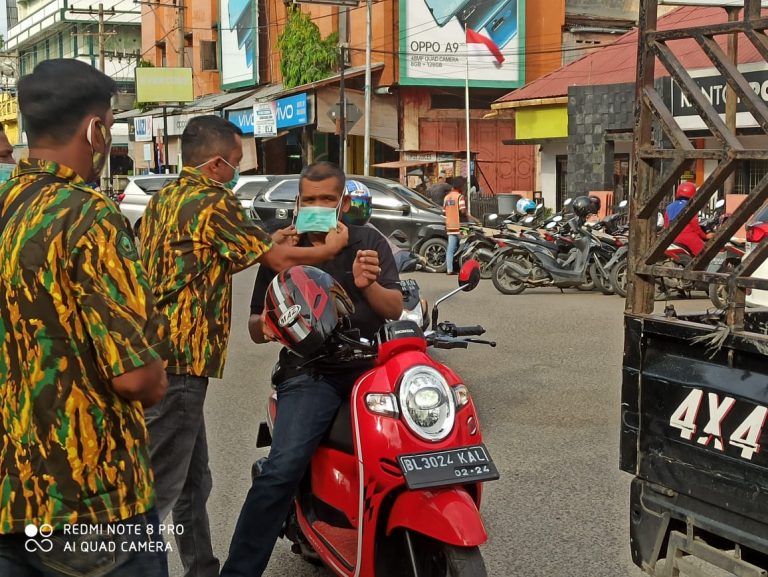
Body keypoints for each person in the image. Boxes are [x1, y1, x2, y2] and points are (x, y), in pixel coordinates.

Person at [138, 117, 349, 577]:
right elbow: (276, 261)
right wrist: (325, 251)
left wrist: (270, 242)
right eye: (235, 163)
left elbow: (202, 262)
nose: (237, 171)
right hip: (180, 360)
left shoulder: (165, 200)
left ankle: (202, 569)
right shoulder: (214, 201)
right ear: (216, 164)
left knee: (193, 482)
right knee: (159, 490)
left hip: (159, 353)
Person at [0, 59, 169, 576]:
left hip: (13, 494)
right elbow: (137, 377)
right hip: (94, 502)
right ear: (95, 129)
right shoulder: (90, 216)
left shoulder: (7, 206)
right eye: (111, 125)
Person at [220, 161, 403, 577]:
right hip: (310, 373)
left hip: (370, 368)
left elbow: (394, 308)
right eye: (310, 199)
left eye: (327, 199)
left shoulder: (368, 240)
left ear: (342, 202)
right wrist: (275, 322)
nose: (318, 206)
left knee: (407, 452)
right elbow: (253, 326)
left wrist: (367, 285)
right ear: (298, 202)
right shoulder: (284, 248)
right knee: (282, 470)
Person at [664, 181, 713, 256]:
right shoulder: (690, 207)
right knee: (706, 255)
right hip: (688, 238)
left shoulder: (669, 207)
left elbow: (666, 225)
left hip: (672, 239)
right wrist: (705, 236)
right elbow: (695, 227)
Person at [444, 176, 468, 275]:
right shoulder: (459, 197)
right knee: (466, 247)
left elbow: (444, 211)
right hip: (461, 226)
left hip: (450, 226)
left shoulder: (446, 197)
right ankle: (465, 269)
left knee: (450, 249)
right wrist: (467, 214)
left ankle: (449, 270)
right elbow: (462, 210)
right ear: (460, 186)